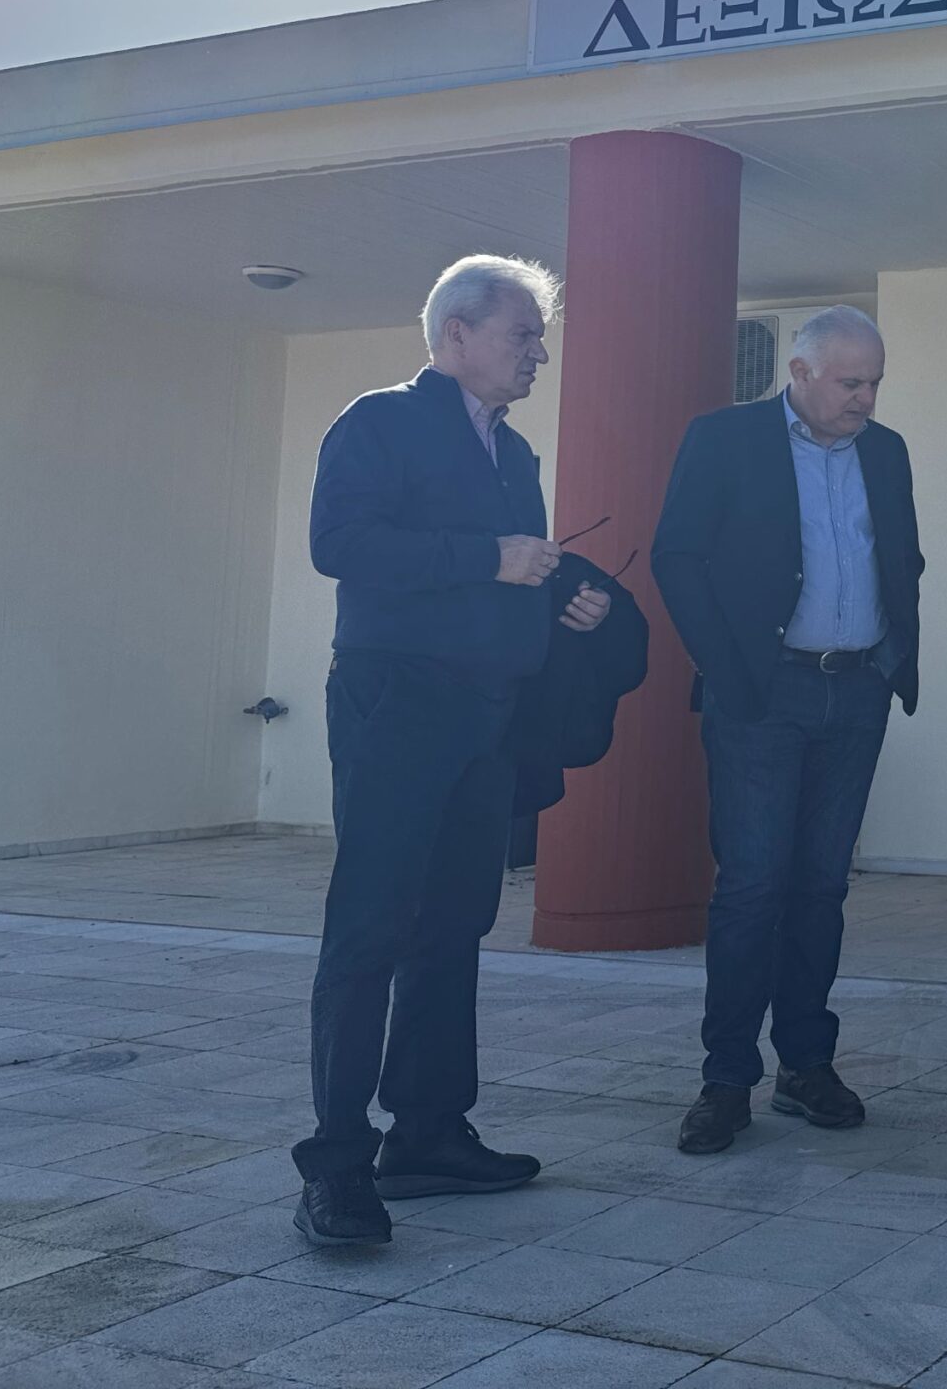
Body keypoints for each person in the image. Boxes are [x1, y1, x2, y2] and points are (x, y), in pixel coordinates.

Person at [295, 256, 609, 1246]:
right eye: (523, 335)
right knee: (371, 926)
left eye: (540, 337)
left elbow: (508, 577)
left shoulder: (514, 454)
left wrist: (562, 598)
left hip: (487, 716)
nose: (539, 354)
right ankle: (337, 1166)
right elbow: (339, 543)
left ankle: (428, 1134)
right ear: (456, 334)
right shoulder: (379, 421)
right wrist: (489, 558)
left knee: (456, 922)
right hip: (396, 704)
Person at [653, 306, 923, 1154]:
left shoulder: (886, 451)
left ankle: (806, 1066)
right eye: (851, 382)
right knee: (752, 887)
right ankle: (726, 1079)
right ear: (799, 372)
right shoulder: (725, 439)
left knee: (821, 887)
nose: (866, 398)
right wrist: (730, 672)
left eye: (875, 382)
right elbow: (676, 556)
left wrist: (891, 659)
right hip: (762, 697)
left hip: (858, 692)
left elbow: (902, 556)